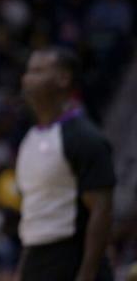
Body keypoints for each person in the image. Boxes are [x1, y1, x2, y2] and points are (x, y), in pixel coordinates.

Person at [16, 47, 116, 281]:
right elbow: (35, 214)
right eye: (28, 71)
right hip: (36, 259)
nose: (26, 78)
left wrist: (86, 275)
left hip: (72, 259)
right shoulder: (30, 139)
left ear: (63, 78)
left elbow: (102, 210)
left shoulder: (85, 137)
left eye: (38, 71)